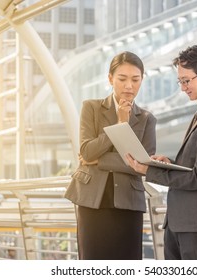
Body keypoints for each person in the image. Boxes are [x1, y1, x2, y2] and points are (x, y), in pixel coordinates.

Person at [126, 45, 197, 260]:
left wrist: (151, 172)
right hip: (181, 223)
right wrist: (169, 163)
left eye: (186, 81)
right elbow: (195, 166)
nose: (183, 88)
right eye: (180, 82)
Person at [65, 51, 156, 260]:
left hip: (129, 202)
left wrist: (101, 160)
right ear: (110, 79)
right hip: (92, 200)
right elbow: (87, 151)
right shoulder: (91, 108)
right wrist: (119, 125)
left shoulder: (147, 119)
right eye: (122, 79)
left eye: (135, 79)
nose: (129, 86)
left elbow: (143, 164)